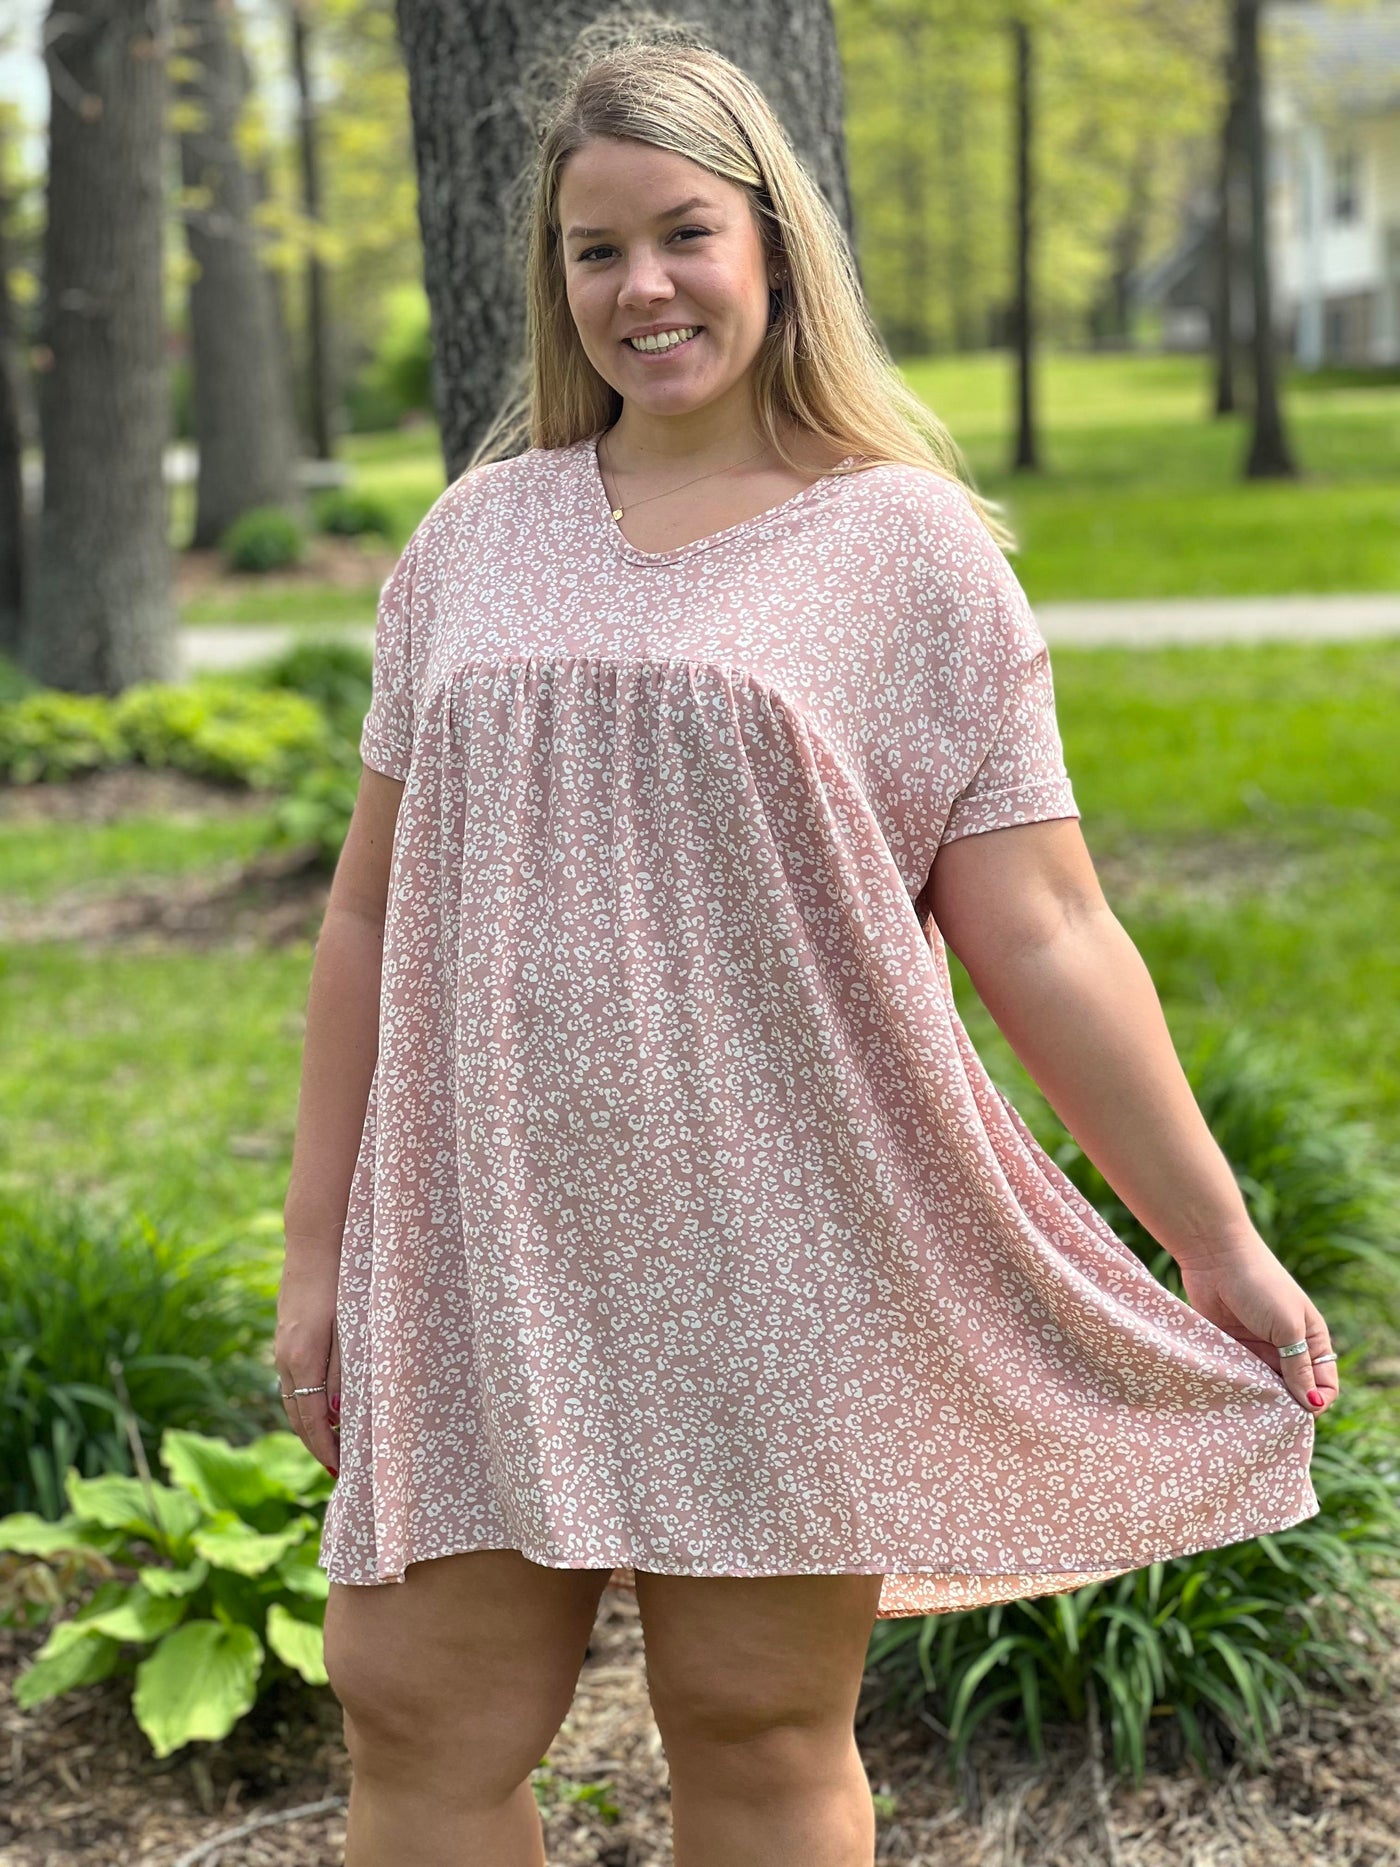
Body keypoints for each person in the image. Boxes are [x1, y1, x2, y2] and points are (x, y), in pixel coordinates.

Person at [275, 32, 1337, 1867]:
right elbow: (370, 909)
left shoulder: (910, 553)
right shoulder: (471, 539)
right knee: (418, 1704)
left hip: (779, 1239)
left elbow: (1050, 927)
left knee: (758, 1728)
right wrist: (317, 1253)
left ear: (775, 242)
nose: (642, 289)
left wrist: (1214, 1235)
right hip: (477, 1228)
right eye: (595, 251)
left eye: (683, 234)